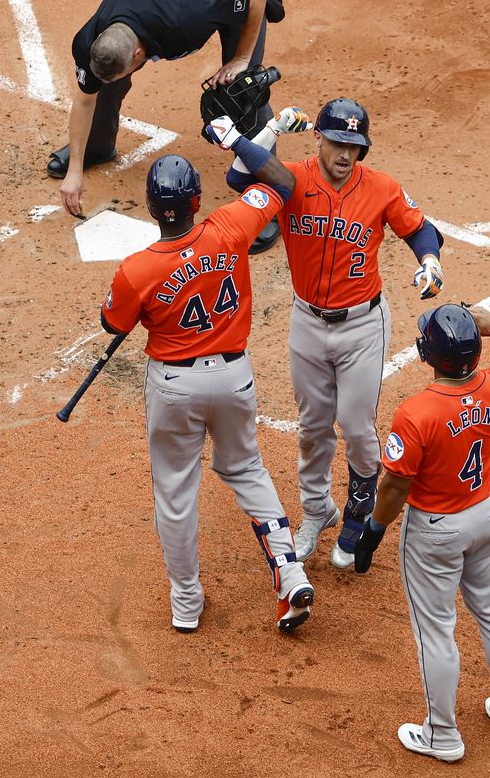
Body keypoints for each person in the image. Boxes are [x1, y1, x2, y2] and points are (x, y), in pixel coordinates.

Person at [97, 116, 314, 634]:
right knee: (246, 469)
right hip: (234, 380)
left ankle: (186, 603)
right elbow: (283, 182)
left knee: (176, 492)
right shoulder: (231, 225)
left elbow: (112, 322)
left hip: (175, 387)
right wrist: (240, 141)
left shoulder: (136, 270)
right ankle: (288, 570)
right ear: (197, 201)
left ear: (150, 208)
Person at [227, 98, 448, 569]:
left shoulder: (382, 188)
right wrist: (269, 130)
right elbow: (238, 179)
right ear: (319, 139)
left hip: (363, 325)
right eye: (338, 142)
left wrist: (429, 260)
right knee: (311, 428)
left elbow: (421, 230)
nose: (346, 154)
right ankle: (316, 511)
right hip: (306, 321)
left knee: (355, 425)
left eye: (355, 145)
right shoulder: (291, 178)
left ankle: (359, 507)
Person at [352, 304, 490, 762]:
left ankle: (442, 735)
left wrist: (374, 530)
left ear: (427, 353)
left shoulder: (416, 413)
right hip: (485, 514)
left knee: (436, 630)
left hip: (435, 531)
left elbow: (396, 485)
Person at [53, 0, 285, 253]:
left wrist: (241, 60)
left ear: (138, 53)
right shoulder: (92, 41)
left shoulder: (184, 18)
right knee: (106, 83)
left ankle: (268, 199)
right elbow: (86, 97)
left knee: (245, 90)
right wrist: (74, 170)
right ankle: (97, 145)